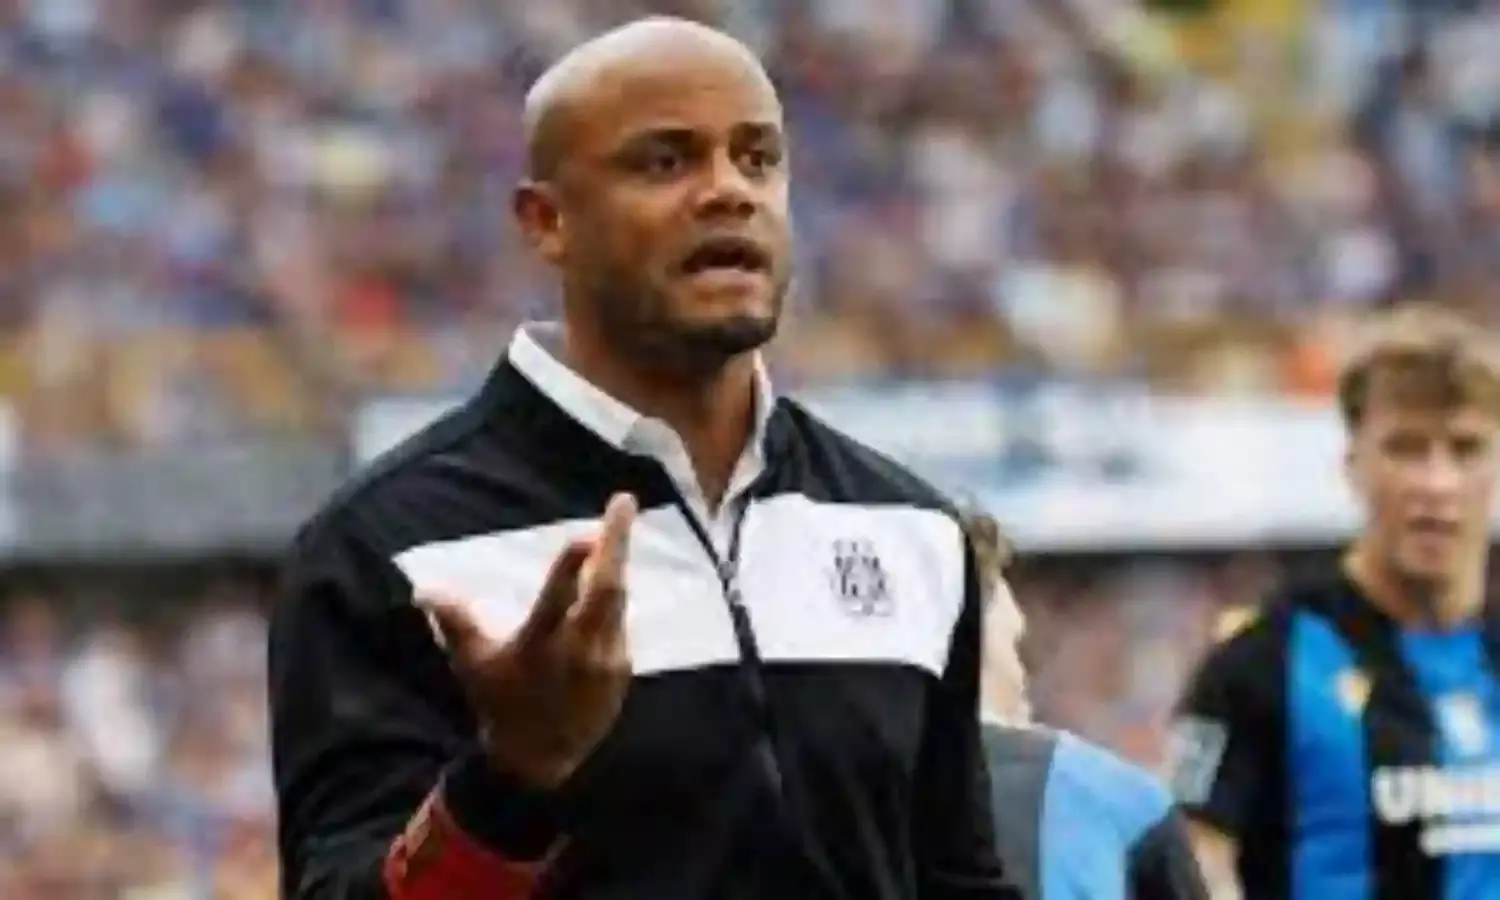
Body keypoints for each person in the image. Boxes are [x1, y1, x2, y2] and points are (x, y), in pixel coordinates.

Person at [267, 16, 1018, 900]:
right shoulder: (387, 549)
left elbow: (961, 882)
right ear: (547, 220)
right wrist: (511, 779)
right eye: (666, 161)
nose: (728, 190)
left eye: (758, 158)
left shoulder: (910, 529)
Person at [1169, 303, 1500, 900]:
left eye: (1466, 448)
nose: (1437, 483)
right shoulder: (1262, 663)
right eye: (1405, 448)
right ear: (1352, 465)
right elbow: (1192, 865)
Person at [957, 510, 1209, 900]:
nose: (1026, 675)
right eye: (1017, 647)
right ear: (982, 642)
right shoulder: (1119, 798)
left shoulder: (855, 799)